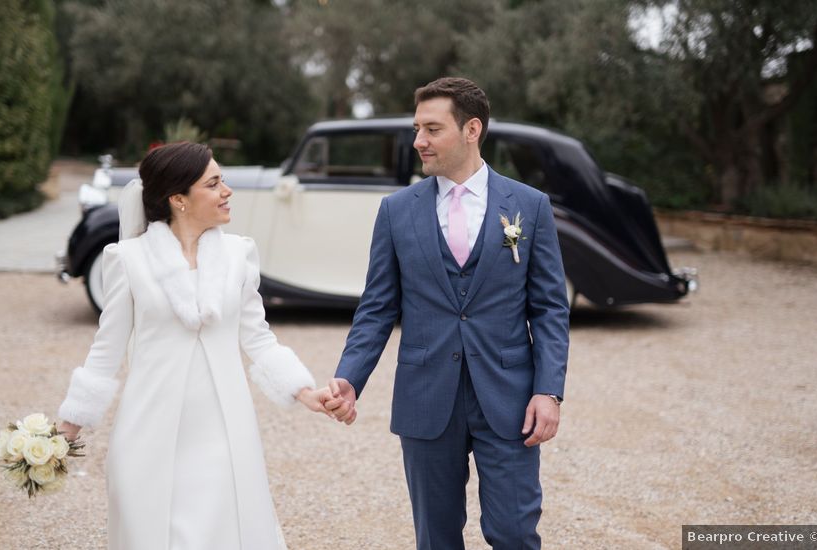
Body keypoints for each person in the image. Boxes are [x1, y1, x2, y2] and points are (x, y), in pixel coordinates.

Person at [325, 77, 570, 549]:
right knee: (436, 538)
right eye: (417, 128)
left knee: (515, 532)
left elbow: (549, 309)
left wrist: (549, 390)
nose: (418, 141)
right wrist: (350, 378)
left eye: (432, 129)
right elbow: (377, 308)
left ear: (471, 129)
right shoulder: (396, 211)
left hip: (510, 399)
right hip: (426, 396)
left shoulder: (529, 207)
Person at [56, 142, 331, 550]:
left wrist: (305, 391)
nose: (228, 192)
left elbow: (257, 336)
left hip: (224, 427)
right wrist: (64, 430)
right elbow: (106, 350)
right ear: (179, 199)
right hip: (146, 428)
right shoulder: (127, 259)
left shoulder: (239, 255)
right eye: (214, 183)